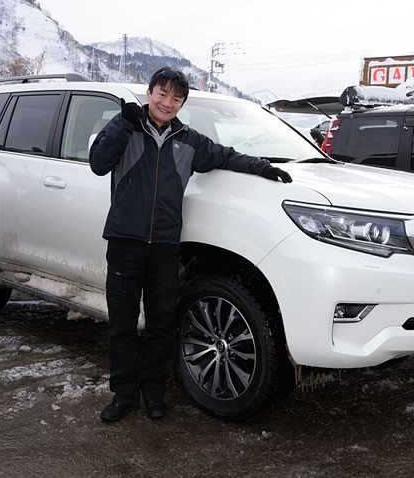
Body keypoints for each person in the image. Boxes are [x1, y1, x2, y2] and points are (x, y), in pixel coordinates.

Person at [89, 67, 292, 422]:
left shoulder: (188, 140)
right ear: (149, 92)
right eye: (162, 94)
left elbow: (226, 156)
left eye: (176, 98)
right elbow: (98, 163)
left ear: (182, 104)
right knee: (121, 324)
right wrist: (122, 123)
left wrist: (263, 167)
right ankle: (123, 395)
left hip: (166, 245)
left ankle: (153, 393)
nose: (168, 103)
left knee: (161, 324)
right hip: (125, 242)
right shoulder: (126, 126)